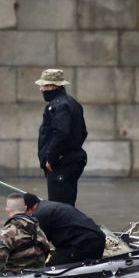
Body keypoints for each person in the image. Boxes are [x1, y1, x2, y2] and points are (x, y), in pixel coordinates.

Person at [35, 68, 88, 206]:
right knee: (66, 204)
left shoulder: (58, 105)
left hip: (61, 165)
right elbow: (83, 132)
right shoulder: (73, 103)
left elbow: (62, 132)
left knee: (59, 207)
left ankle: (65, 228)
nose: (41, 89)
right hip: (71, 161)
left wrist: (52, 157)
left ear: (52, 86)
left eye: (43, 85)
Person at [23, 192, 105, 264]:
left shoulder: (39, 215)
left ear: (26, 208)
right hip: (97, 239)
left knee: (52, 268)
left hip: (84, 245)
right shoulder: (47, 206)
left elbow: (38, 247)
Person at [0, 193, 51, 273]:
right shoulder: (37, 229)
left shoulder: (5, 234)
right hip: (38, 275)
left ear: (7, 211)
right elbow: (46, 249)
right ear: (25, 208)